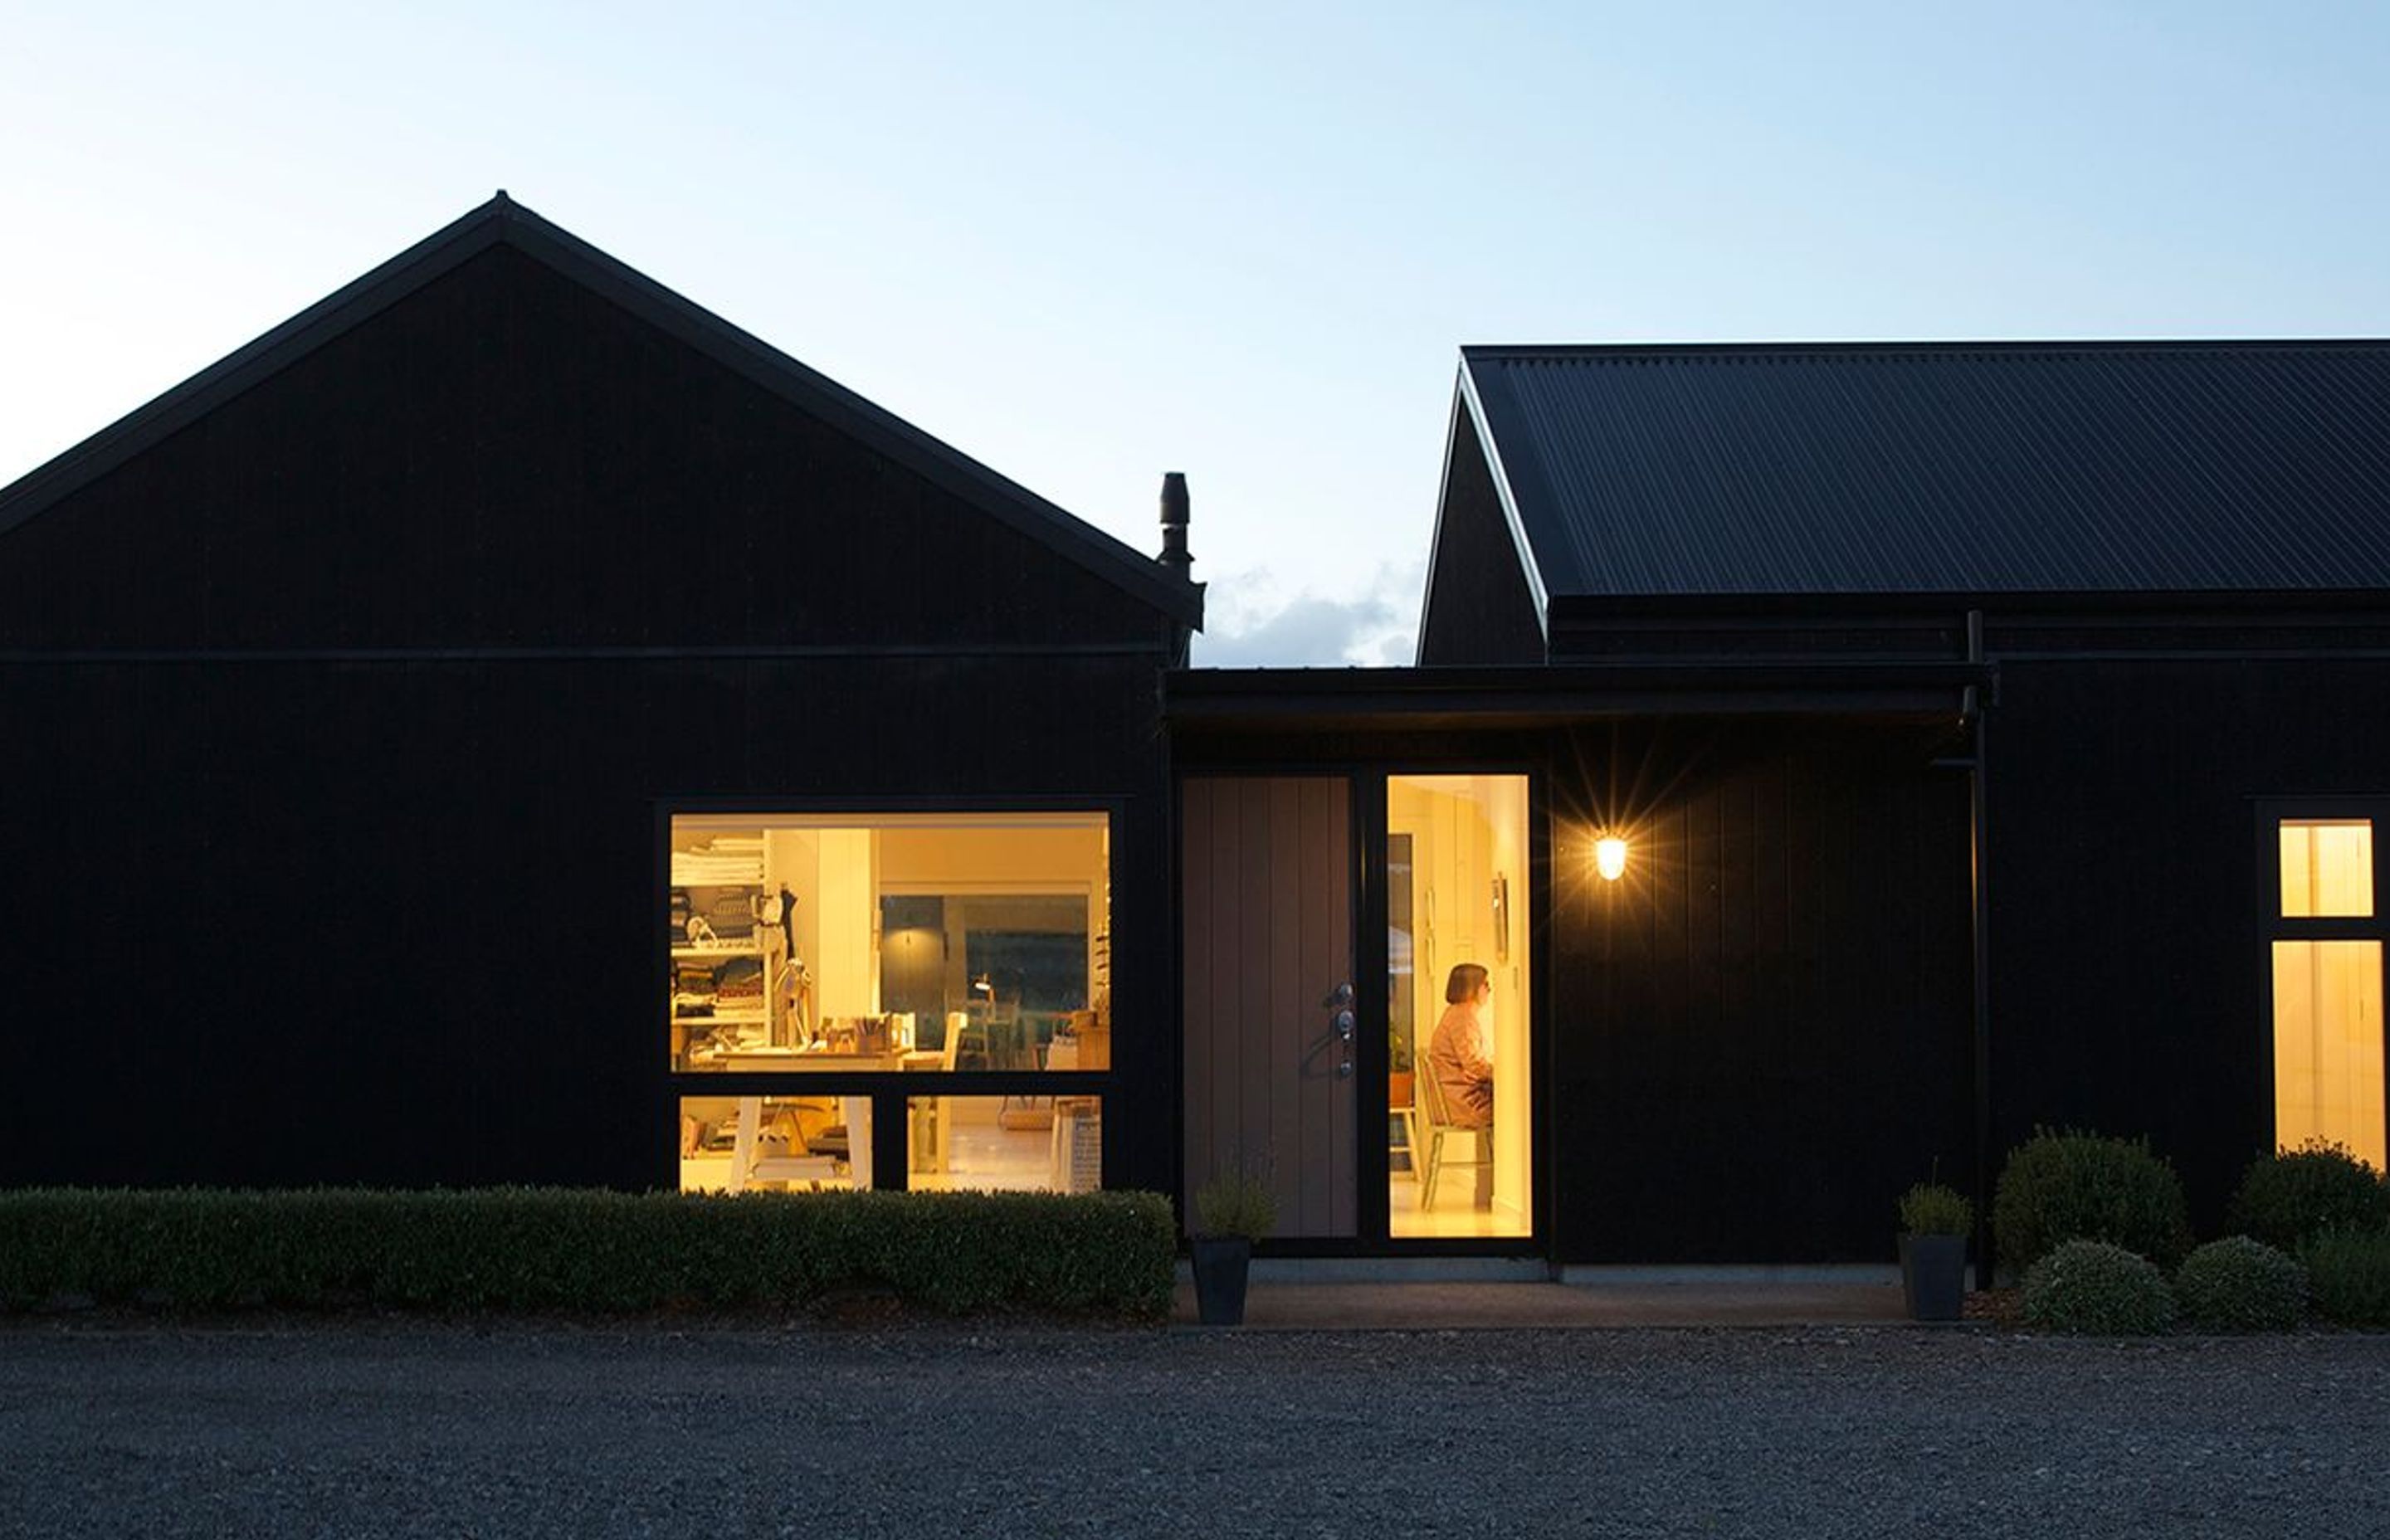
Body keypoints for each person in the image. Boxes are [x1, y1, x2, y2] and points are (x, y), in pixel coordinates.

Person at [1427, 962, 1495, 1128]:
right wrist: (1500, 1073)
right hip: (1463, 1105)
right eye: (1485, 984)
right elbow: (1473, 1063)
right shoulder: (1462, 1018)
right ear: (1472, 986)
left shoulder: (1457, 1014)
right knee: (1517, 1109)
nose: (1489, 990)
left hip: (1457, 1099)